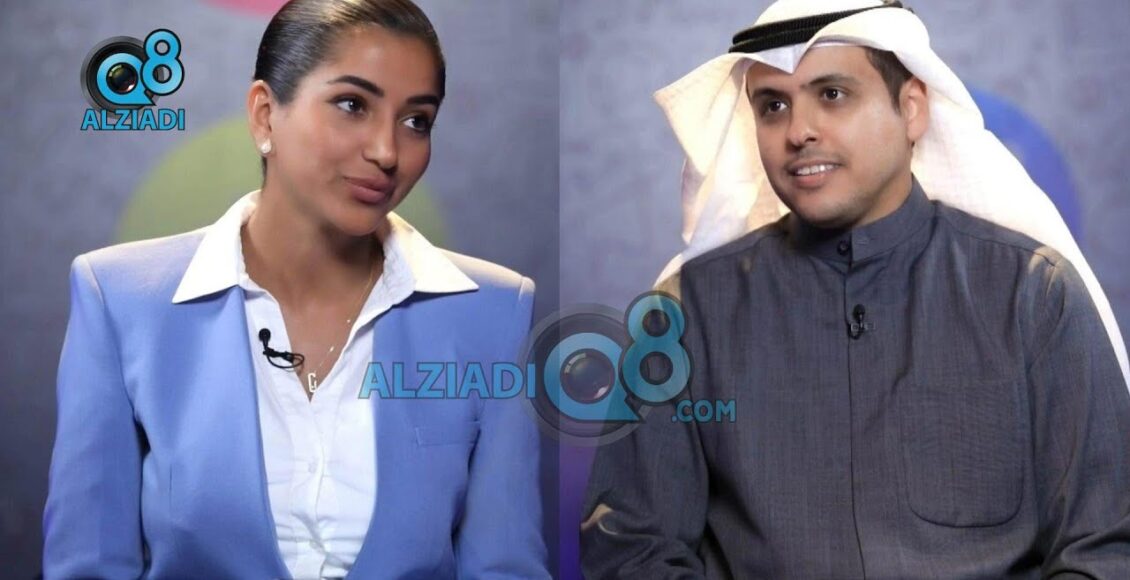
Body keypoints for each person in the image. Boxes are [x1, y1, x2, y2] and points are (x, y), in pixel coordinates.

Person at [581, 0, 1130, 577]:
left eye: (833, 94)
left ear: (911, 109)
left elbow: (1106, 548)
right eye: (773, 106)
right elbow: (631, 551)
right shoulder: (684, 316)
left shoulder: (1034, 297)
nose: (799, 131)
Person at [42, 0, 548, 577]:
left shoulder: (494, 311)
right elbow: (88, 565)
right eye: (352, 105)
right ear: (264, 115)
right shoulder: (121, 299)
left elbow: (504, 566)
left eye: (417, 121)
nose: (386, 152)